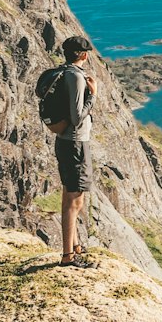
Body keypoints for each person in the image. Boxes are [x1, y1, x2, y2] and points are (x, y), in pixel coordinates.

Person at [55, 33, 98, 266]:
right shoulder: (76, 77)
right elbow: (77, 116)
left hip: (66, 142)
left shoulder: (64, 73)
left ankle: (74, 247)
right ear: (83, 55)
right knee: (74, 200)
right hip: (75, 143)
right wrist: (93, 95)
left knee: (72, 196)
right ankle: (68, 257)